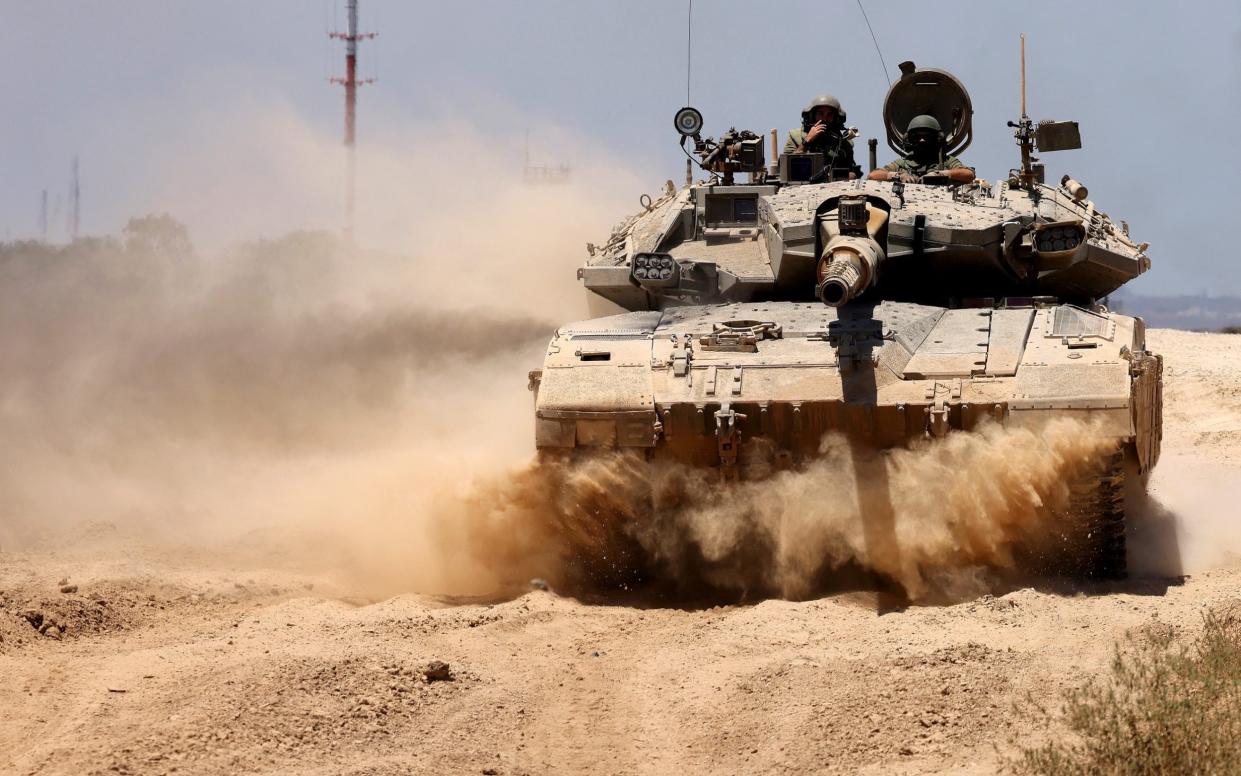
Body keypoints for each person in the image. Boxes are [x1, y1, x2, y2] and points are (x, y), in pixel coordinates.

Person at [868, 115, 975, 184]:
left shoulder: (946, 161)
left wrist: (941, 174)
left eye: (927, 136)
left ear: (937, 139)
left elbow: (969, 174)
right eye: (917, 136)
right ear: (910, 139)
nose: (922, 140)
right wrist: (899, 176)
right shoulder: (903, 164)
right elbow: (873, 175)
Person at [785, 94, 862, 181]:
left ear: (835, 118)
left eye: (829, 115)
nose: (824, 119)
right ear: (812, 116)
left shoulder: (843, 144)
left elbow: (852, 173)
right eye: (820, 114)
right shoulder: (796, 137)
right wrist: (806, 142)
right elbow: (786, 170)